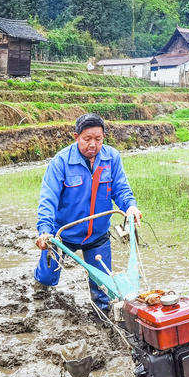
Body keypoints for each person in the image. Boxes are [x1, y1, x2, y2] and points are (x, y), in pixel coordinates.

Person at [34, 113, 142, 312]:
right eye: (87, 139)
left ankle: (103, 318)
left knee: (103, 287)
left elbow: (121, 190)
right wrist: (44, 231)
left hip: (97, 235)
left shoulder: (111, 158)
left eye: (98, 139)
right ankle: (40, 300)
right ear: (76, 137)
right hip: (63, 235)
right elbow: (48, 199)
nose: (93, 144)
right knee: (47, 278)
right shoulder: (61, 162)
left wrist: (130, 207)